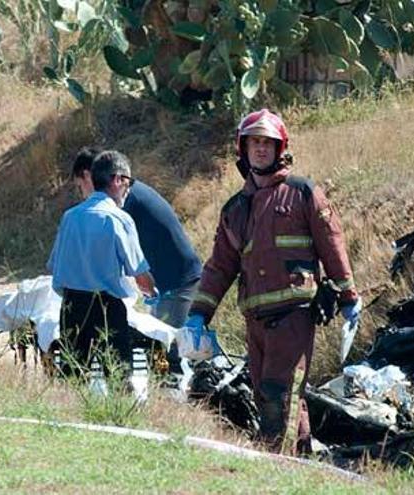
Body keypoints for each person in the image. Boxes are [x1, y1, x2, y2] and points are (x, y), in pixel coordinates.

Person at [185, 109, 362, 456]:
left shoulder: (303, 193)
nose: (261, 149)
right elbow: (220, 266)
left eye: (268, 143)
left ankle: (271, 464)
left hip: (293, 315)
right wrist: (198, 314)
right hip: (256, 319)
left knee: (278, 391)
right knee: (269, 394)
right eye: (255, 142)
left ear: (280, 148)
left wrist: (347, 294)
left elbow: (332, 242)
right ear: (243, 148)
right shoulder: (235, 209)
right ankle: (302, 462)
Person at [70, 146, 202, 369]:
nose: (83, 193)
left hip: (177, 284)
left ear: (88, 175)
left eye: (80, 186)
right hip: (168, 284)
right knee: (162, 355)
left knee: (168, 358)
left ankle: (183, 401)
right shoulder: (127, 194)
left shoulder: (123, 202)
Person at [47, 150, 157, 375]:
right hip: (106, 309)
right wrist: (153, 294)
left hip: (71, 307)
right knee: (118, 377)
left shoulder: (70, 217)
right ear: (118, 181)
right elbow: (140, 275)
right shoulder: (119, 218)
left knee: (72, 379)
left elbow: (53, 264)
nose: (129, 190)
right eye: (129, 183)